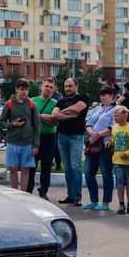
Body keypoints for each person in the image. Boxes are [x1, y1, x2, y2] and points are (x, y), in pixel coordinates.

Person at [52, 78, 90, 207]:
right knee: (67, 169)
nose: (67, 88)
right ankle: (71, 195)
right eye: (66, 86)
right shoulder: (61, 101)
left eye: (70, 86)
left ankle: (77, 196)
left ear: (76, 86)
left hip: (76, 137)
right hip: (62, 137)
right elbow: (54, 115)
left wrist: (61, 113)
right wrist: (67, 115)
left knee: (75, 167)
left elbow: (76, 109)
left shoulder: (83, 98)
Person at [0, 78, 40, 191]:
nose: (24, 92)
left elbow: (37, 125)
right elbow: (1, 122)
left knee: (25, 169)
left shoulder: (32, 105)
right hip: (13, 141)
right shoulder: (9, 104)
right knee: (13, 169)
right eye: (22, 89)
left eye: (26, 89)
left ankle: (23, 193)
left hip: (27, 143)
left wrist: (36, 145)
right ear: (16, 89)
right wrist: (13, 124)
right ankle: (14, 192)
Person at [83, 86, 117, 210]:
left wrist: (99, 135)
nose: (102, 97)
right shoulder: (97, 109)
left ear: (112, 96)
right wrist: (92, 133)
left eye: (105, 95)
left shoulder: (116, 109)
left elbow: (114, 126)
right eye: (101, 95)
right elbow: (88, 123)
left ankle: (105, 202)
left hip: (105, 144)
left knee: (106, 173)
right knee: (88, 172)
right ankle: (93, 200)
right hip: (92, 144)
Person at [26, 77, 58, 199]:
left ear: (54, 89)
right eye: (46, 86)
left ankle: (43, 191)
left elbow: (55, 122)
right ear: (41, 87)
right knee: (31, 165)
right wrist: (46, 117)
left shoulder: (55, 104)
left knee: (46, 166)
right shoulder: (32, 101)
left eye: (51, 87)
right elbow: (28, 120)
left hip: (49, 137)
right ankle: (28, 189)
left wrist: (38, 116)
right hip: (34, 137)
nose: (48, 89)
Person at [106, 106, 129, 215]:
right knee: (119, 183)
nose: (115, 117)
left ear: (124, 115)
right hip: (117, 160)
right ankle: (121, 204)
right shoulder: (114, 128)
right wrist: (110, 142)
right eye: (114, 115)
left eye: (117, 115)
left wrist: (128, 153)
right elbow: (114, 140)